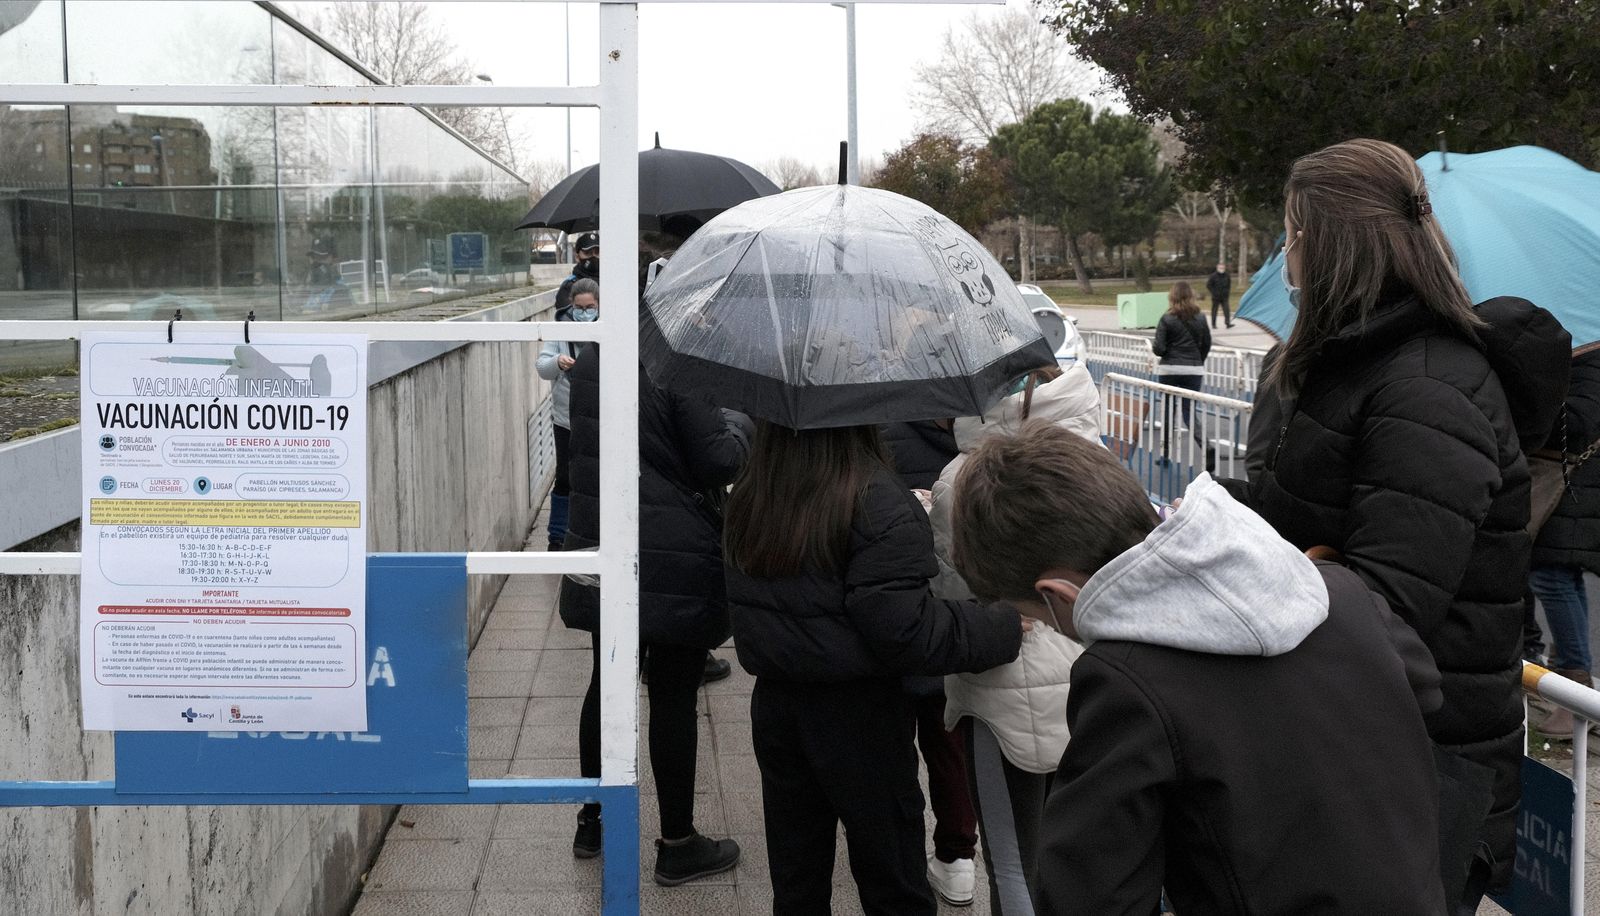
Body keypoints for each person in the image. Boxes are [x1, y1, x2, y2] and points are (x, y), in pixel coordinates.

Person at [1229, 138, 1569, 909]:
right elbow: (1316, 519)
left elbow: (1386, 607)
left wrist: (1272, 564)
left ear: (1326, 243)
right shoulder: (1354, 365)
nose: (1284, 253)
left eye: (1291, 232)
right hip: (1352, 746)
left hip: (1414, 771)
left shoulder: (1425, 388)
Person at [950, 424, 1448, 914]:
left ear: (1057, 595)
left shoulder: (1125, 680)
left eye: (1037, 619)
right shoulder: (1335, 589)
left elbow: (1093, 893)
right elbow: (1423, 693)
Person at [723, 422, 1024, 916]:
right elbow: (907, 630)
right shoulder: (873, 496)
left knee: (797, 874)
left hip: (777, 705)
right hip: (860, 714)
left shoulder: (753, 490)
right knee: (893, 877)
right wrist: (1003, 626)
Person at [558, 329, 754, 885]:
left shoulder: (596, 352)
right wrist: (739, 415)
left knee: (606, 681)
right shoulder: (678, 361)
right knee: (672, 694)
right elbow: (719, 459)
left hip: (605, 539)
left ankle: (594, 818)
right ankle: (678, 842)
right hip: (672, 553)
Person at [929, 364, 1100, 916]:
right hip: (1091, 687)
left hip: (1001, 701)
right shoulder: (1095, 460)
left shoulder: (963, 480)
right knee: (1080, 858)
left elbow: (954, 593)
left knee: (1012, 864)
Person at [881, 418, 979, 906]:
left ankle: (901, 858)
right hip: (957, 619)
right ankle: (959, 855)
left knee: (893, 748)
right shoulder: (982, 444)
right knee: (950, 743)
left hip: (894, 612)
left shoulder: (882, 427)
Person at [1528, 350, 1600, 736]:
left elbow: (1579, 422)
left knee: (1552, 576)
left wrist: (1535, 398)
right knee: (1555, 576)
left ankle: (1576, 695)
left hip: (1573, 486)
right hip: (1568, 484)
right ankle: (1567, 687)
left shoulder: (1592, 358)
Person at [535, 278, 598, 551]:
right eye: (579, 307)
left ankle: (595, 530)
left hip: (599, 419)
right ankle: (557, 536)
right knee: (565, 477)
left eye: (591, 307)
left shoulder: (608, 328)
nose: (585, 312)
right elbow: (542, 367)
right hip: (566, 419)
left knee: (597, 475)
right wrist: (558, 362)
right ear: (571, 306)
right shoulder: (559, 331)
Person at [1152, 281, 1211, 465]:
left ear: (1172, 297)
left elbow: (1159, 349)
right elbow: (1207, 344)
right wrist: (1196, 361)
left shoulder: (1166, 319)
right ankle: (1207, 448)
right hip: (1193, 369)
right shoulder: (1201, 318)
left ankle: (1165, 454)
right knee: (1189, 412)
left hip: (1169, 369)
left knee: (1168, 411)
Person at [553, 231, 600, 319]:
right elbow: (565, 318)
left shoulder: (612, 282)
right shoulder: (569, 286)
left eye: (597, 253)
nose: (594, 257)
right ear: (577, 257)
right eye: (588, 253)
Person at [1206, 261, 1233, 328]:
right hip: (1216, 297)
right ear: (1217, 268)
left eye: (1223, 268)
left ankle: (1228, 323)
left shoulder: (1227, 275)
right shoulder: (1213, 276)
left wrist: (1227, 292)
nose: (1221, 269)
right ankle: (1213, 324)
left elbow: (1229, 285)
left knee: (1226, 310)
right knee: (1214, 310)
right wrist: (1213, 292)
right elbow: (1208, 285)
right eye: (1220, 268)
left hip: (1224, 296)